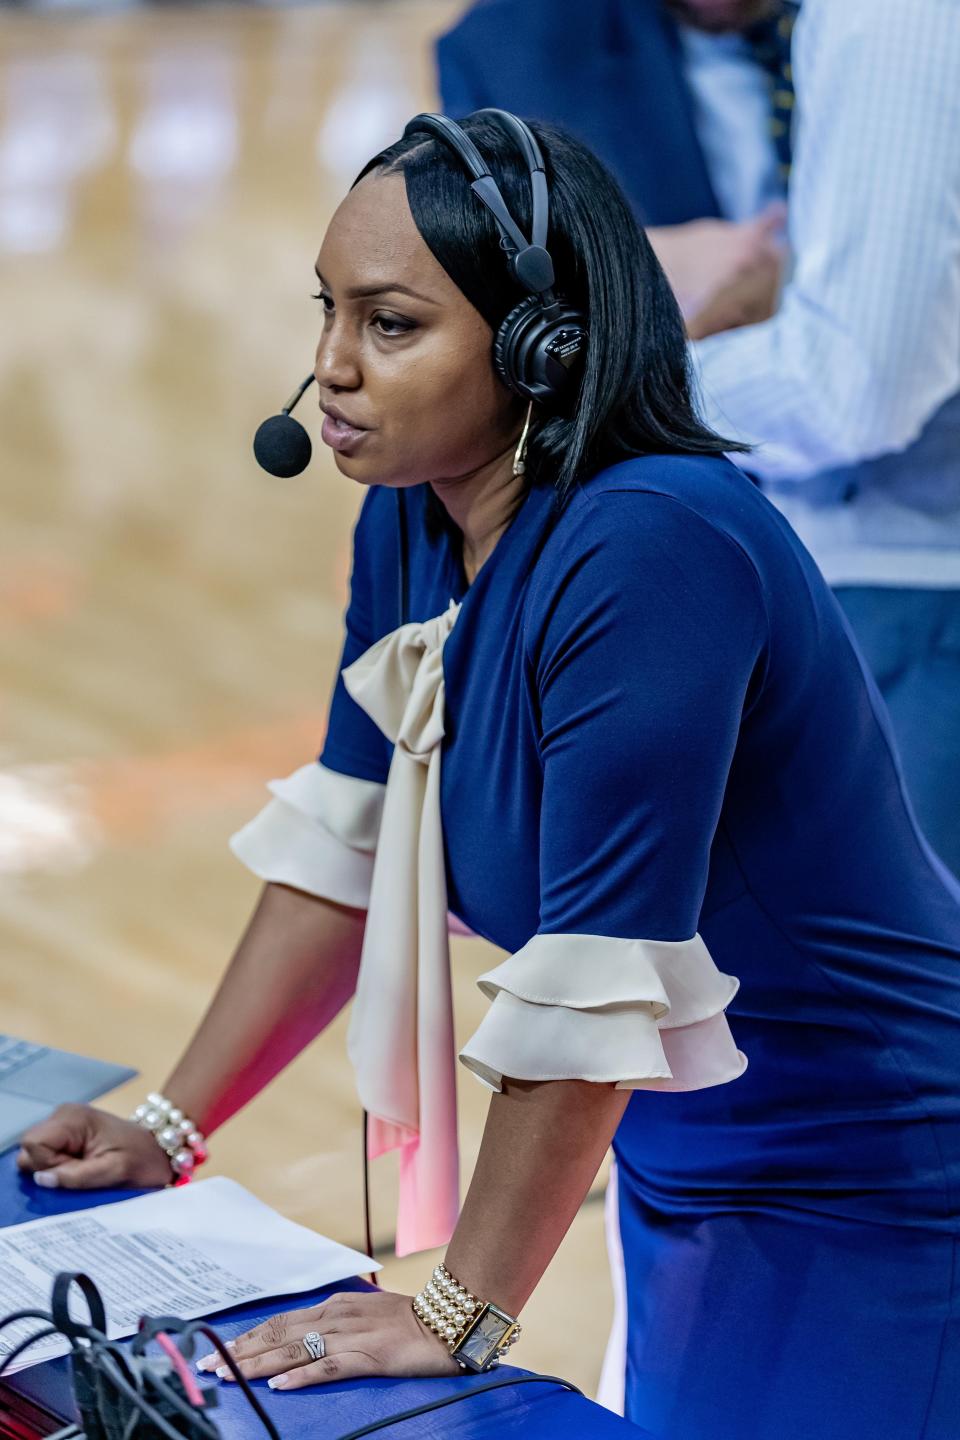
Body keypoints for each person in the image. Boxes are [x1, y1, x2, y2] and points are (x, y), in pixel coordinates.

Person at [17, 113, 960, 1440]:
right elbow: (345, 849)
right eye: (328, 313)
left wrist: (461, 1308)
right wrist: (171, 1124)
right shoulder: (418, 509)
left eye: (391, 325)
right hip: (688, 1159)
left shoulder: (652, 550)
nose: (332, 369)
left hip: (879, 1170)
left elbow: (599, 983)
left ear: (543, 349)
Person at [438, 0, 960, 878]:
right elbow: (480, 350)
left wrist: (618, 375)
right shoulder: (510, 51)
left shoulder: (886, 23)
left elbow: (855, 377)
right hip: (671, 588)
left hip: (912, 570)